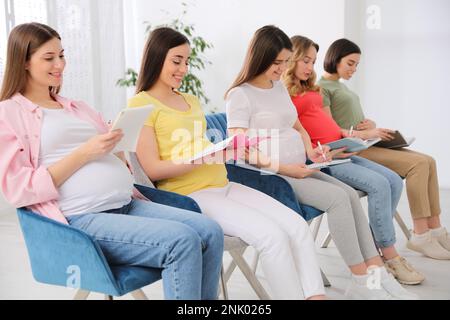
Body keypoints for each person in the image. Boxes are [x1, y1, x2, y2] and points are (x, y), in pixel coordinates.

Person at [0, 22, 224, 300]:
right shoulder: (8, 114)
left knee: (211, 231)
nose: (60, 64)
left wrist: (116, 145)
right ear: (23, 61)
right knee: (183, 240)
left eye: (62, 55)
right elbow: (18, 189)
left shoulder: (77, 107)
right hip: (82, 218)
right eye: (49, 58)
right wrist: (85, 152)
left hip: (126, 204)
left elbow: (112, 147)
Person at [128, 27, 326, 300]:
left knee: (297, 226)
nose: (184, 68)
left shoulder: (191, 100)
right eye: (177, 61)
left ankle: (317, 296)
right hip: (191, 194)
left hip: (223, 183)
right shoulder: (140, 105)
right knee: (272, 237)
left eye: (186, 61)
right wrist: (205, 158)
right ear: (156, 58)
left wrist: (223, 150)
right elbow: (152, 170)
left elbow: (198, 145)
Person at [225, 25, 418, 299]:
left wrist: (311, 151)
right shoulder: (239, 95)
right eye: (277, 62)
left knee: (349, 194)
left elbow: (297, 125)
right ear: (259, 57)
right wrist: (286, 168)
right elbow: (241, 149)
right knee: (337, 200)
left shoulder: (277, 87)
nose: (282, 68)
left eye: (285, 62)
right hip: (271, 176)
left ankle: (377, 275)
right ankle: (361, 280)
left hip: (301, 166)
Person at [282, 35, 425, 285]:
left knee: (393, 180)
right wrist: (323, 150)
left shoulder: (312, 88)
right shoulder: (282, 93)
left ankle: (376, 240)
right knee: (379, 185)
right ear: (291, 58)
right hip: (326, 159)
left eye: (313, 62)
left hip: (342, 148)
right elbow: (292, 136)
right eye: (305, 60)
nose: (309, 67)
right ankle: (389, 255)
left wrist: (352, 136)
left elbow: (330, 124)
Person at [318, 38, 450, 260]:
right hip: (356, 150)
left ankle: (436, 228)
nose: (354, 69)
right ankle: (420, 234)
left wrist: (369, 125)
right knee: (417, 165)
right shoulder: (322, 88)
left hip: (367, 142)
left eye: (357, 64)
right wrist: (365, 134)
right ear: (335, 59)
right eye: (350, 63)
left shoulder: (341, 86)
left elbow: (349, 122)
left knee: (429, 160)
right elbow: (330, 129)